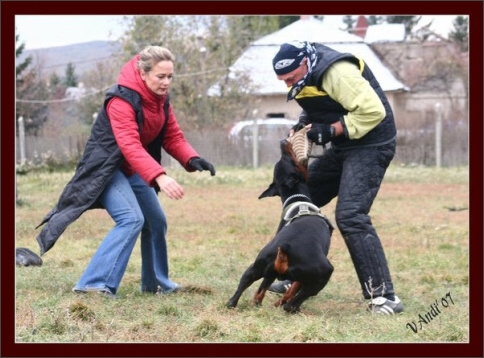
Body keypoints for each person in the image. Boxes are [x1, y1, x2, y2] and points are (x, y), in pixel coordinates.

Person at [35, 46, 216, 298]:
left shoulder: (160, 101)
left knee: (156, 221)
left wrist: (192, 158)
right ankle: (93, 285)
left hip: (133, 168)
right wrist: (160, 176)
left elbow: (172, 136)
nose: (166, 82)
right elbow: (129, 145)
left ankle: (156, 284)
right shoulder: (121, 99)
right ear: (143, 73)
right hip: (105, 170)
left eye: (170, 76)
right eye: (160, 77)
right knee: (131, 218)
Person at [268, 40, 403, 314]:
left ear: (305, 64)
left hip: (372, 144)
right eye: (283, 80)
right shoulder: (305, 74)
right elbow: (319, 104)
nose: (287, 85)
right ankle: (290, 275)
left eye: (290, 78)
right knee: (300, 200)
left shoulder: (337, 71)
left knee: (351, 215)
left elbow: (373, 112)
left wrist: (332, 130)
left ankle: (384, 297)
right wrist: (302, 126)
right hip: (346, 146)